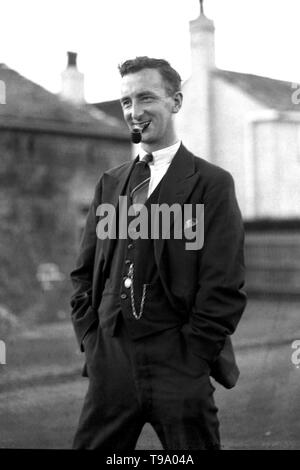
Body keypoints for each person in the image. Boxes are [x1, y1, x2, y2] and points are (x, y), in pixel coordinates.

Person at [70, 56, 247, 451]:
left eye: (146, 98)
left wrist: (195, 355)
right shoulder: (111, 184)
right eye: (126, 101)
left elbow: (223, 283)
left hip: (179, 364)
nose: (134, 112)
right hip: (110, 364)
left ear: (176, 102)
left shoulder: (211, 184)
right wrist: (91, 339)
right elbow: (84, 272)